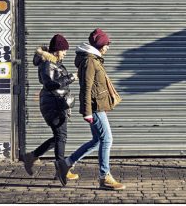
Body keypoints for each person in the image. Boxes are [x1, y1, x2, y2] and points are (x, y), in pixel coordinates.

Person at [55, 28, 125, 190]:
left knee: (97, 140)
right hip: (94, 107)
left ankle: (66, 163)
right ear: (100, 45)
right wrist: (86, 112)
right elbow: (86, 88)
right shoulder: (90, 61)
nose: (108, 47)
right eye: (107, 44)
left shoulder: (94, 59)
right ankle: (104, 176)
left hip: (98, 105)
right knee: (107, 139)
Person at [23, 34, 79, 181]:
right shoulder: (48, 64)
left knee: (59, 136)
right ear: (56, 50)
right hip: (52, 104)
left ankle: (32, 156)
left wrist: (68, 105)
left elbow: (60, 86)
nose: (65, 53)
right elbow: (50, 84)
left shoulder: (56, 63)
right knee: (61, 136)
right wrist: (71, 77)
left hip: (58, 103)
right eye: (64, 50)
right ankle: (61, 170)